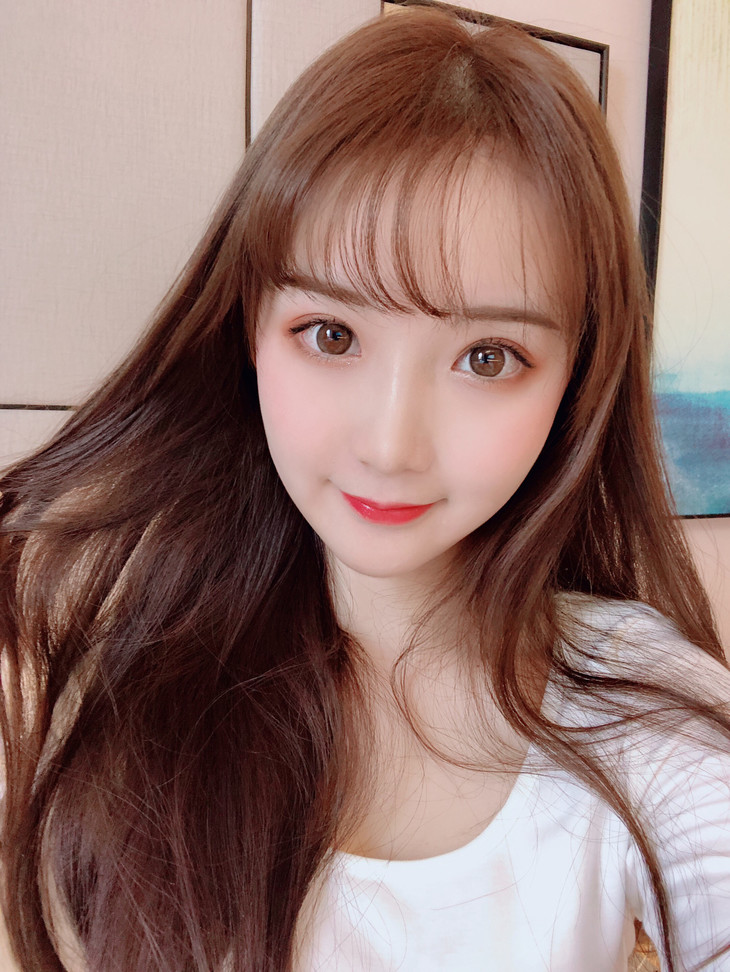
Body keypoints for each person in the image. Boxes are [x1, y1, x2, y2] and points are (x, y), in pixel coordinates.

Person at [1, 5, 729, 971]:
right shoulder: (105, 675)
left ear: (576, 380)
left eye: (488, 356)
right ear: (249, 328)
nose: (391, 446)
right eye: (333, 335)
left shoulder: (641, 706)